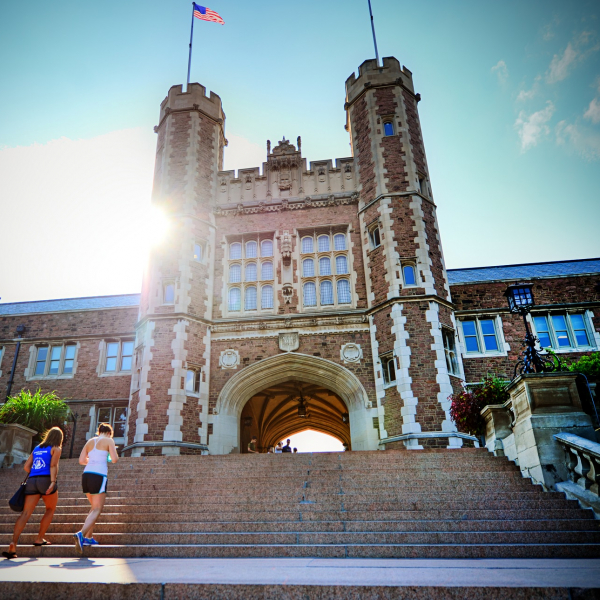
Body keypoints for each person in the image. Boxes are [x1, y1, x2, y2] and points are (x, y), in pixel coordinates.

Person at [2, 427, 63, 559]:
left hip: (32, 481)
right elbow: (53, 465)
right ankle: (40, 538)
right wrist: (52, 482)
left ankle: (13, 543)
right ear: (59, 438)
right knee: (50, 509)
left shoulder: (37, 448)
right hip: (46, 480)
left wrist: (36, 472)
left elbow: (26, 467)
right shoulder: (56, 448)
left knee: (25, 513)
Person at [73, 423, 119, 552]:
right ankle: (81, 534)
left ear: (99, 431)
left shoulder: (90, 441)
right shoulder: (109, 440)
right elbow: (114, 459)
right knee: (97, 509)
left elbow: (82, 460)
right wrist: (108, 456)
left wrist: (92, 460)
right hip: (99, 475)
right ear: (109, 433)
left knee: (93, 508)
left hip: (86, 475)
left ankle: (88, 537)